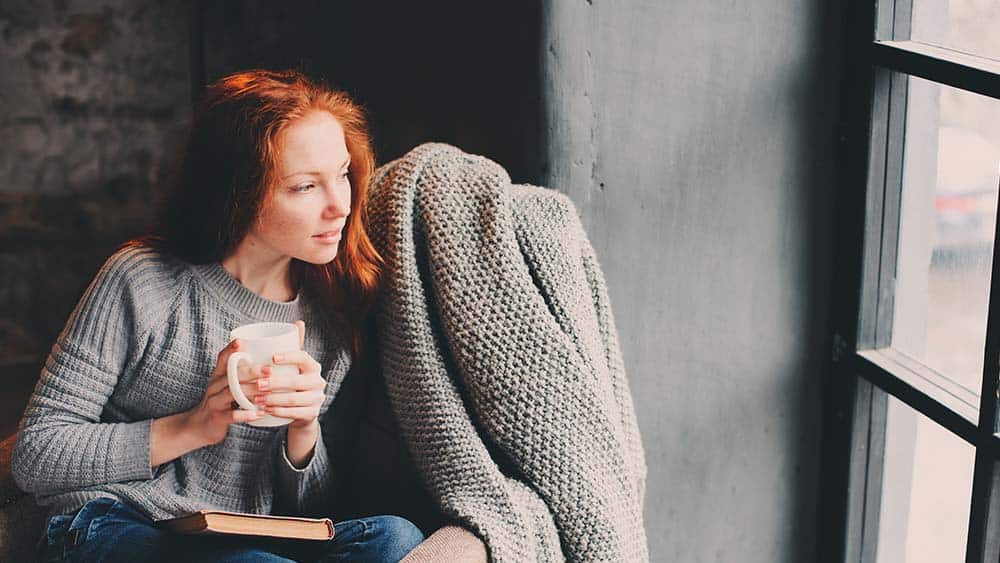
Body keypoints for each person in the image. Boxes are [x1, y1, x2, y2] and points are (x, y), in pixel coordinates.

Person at [11, 69, 425, 562]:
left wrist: (304, 432)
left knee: (395, 539)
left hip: (249, 536)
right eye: (304, 187)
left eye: (341, 175)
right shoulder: (143, 281)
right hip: (116, 521)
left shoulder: (333, 310)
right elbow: (36, 454)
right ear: (240, 192)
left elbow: (314, 506)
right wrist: (192, 427)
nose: (340, 205)